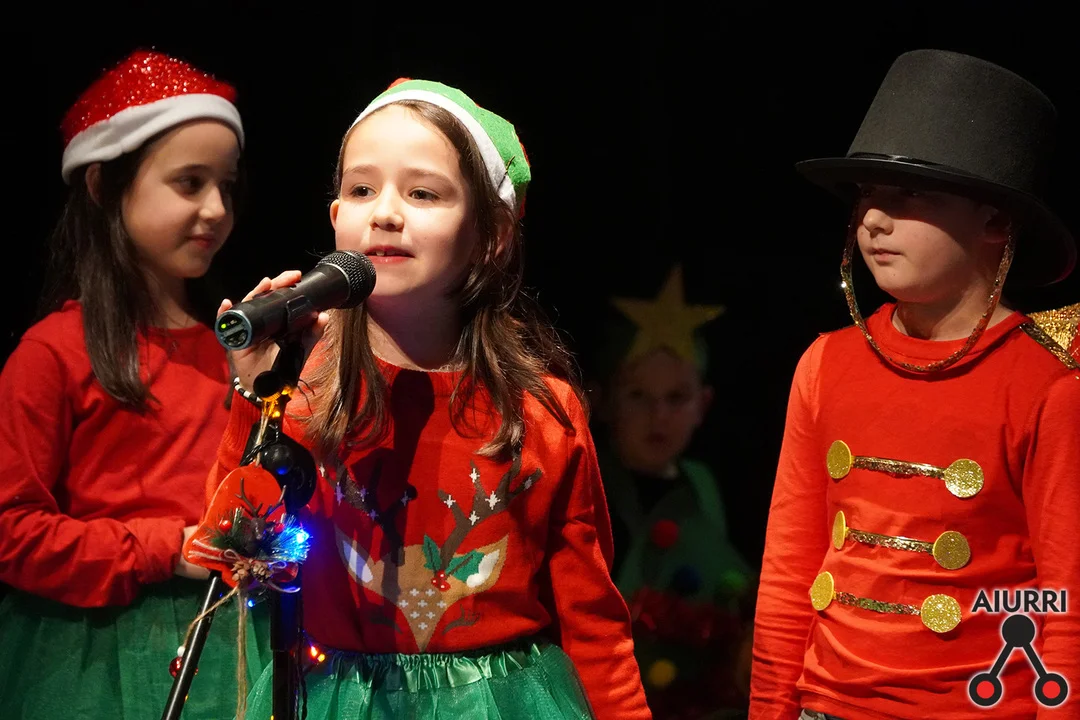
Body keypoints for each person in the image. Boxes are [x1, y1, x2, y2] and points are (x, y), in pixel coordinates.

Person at [212, 78, 651, 719]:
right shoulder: (304, 387)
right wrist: (258, 398)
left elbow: (592, 620)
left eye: (422, 193)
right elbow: (235, 558)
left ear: (491, 235)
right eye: (362, 190)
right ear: (335, 218)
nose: (385, 213)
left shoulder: (540, 409)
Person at [751, 49, 1079, 720]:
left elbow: (1068, 606)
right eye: (867, 195)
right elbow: (788, 573)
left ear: (995, 221)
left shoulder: (1050, 381)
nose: (873, 219)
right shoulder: (825, 363)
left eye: (911, 194)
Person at [0, 50, 269, 718]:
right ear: (103, 186)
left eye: (227, 186)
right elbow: (10, 531)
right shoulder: (52, 353)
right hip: (88, 659)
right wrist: (164, 549)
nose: (216, 209)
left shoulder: (232, 348)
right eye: (189, 183)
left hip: (222, 642)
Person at [589, 265, 754, 718]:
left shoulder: (702, 486)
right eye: (638, 396)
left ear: (703, 404)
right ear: (604, 400)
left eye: (676, 398)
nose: (658, 416)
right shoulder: (589, 483)